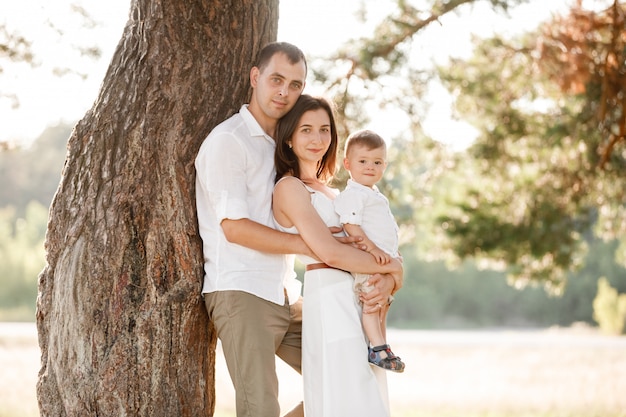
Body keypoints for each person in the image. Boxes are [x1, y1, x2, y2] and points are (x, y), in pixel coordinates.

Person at [195, 42, 310, 417]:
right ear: (255, 77)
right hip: (241, 291)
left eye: (295, 85)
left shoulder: (288, 146)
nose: (285, 92)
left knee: (354, 370)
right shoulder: (229, 141)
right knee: (259, 410)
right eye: (277, 79)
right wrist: (311, 246)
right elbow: (236, 229)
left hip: (286, 294)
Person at [272, 94, 403, 417]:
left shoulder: (337, 191)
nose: (317, 139)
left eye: (324, 129)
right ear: (289, 136)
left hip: (357, 297)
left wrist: (389, 282)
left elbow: (367, 242)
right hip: (329, 297)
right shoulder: (289, 187)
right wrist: (396, 269)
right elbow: (330, 253)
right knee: (343, 393)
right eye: (306, 130)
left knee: (365, 390)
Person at [334, 129, 406, 373]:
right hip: (366, 260)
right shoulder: (354, 194)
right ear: (348, 164)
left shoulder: (372, 194)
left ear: (384, 165)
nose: (369, 167)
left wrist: (392, 254)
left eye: (377, 162)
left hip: (380, 260)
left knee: (382, 303)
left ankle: (383, 346)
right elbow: (350, 225)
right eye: (362, 161)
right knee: (372, 304)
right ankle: (377, 349)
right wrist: (373, 249)